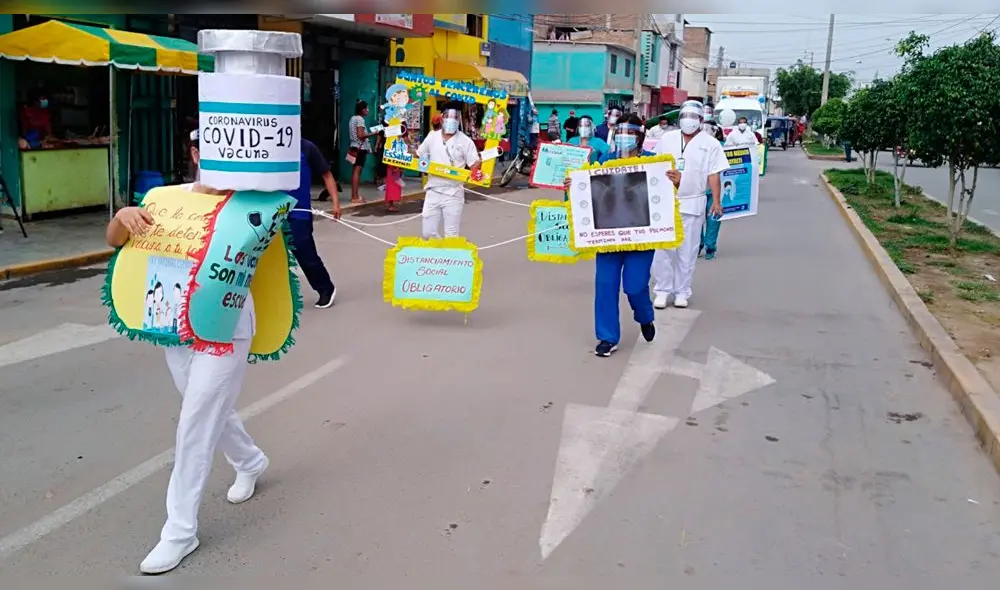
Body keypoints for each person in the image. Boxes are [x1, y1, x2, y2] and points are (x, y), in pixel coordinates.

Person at [108, 131, 269, 574]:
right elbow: (114, 241)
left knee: (196, 420)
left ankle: (179, 532)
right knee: (208, 410)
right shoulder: (164, 198)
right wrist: (123, 215)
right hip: (174, 323)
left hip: (227, 328)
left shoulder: (250, 203)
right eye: (211, 154)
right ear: (196, 154)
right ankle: (250, 460)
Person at [564, 114, 657, 357]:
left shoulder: (654, 162)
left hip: (640, 236)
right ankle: (607, 337)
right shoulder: (606, 159)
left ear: (640, 136)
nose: (626, 138)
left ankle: (645, 316)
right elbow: (591, 191)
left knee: (635, 287)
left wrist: (674, 182)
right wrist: (573, 186)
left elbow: (664, 197)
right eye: (622, 133)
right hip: (609, 235)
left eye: (631, 133)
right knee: (605, 285)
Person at [651, 100, 729, 309]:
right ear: (679, 118)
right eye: (685, 116)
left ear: (701, 120)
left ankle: (682, 291)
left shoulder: (710, 143)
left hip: (693, 201)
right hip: (666, 201)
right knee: (662, 250)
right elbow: (654, 166)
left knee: (688, 251)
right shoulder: (667, 139)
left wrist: (717, 201)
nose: (689, 121)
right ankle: (662, 289)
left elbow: (714, 173)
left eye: (694, 117)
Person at [288, 137, 340, 308]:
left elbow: (326, 174)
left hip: (299, 212)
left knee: (306, 254)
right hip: (271, 211)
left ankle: (325, 288)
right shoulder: (266, 148)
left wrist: (335, 203)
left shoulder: (307, 147)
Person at [417, 102, 481, 239]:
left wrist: (478, 166)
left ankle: (448, 258)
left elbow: (474, 163)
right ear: (441, 118)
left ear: (459, 120)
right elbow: (419, 154)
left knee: (451, 235)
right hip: (433, 190)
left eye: (455, 117)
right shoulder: (432, 137)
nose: (452, 120)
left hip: (453, 193)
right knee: (428, 233)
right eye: (448, 116)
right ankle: (440, 253)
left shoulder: (466, 141)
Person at [348, 100, 373, 204]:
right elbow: (360, 135)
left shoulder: (352, 118)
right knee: (357, 172)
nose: (368, 110)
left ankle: (355, 195)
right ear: (362, 110)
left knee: (355, 171)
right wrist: (373, 133)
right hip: (360, 149)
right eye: (366, 108)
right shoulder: (360, 119)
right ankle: (354, 196)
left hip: (354, 147)